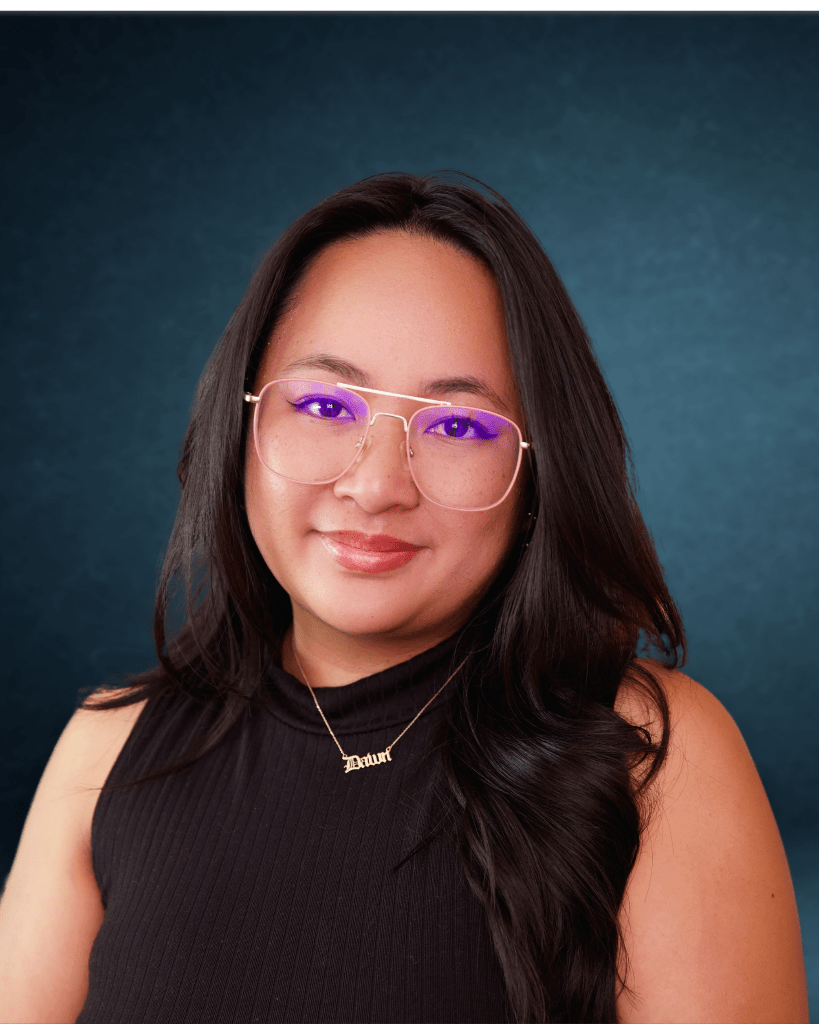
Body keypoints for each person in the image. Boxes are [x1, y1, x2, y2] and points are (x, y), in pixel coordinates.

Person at [0, 172, 808, 1024]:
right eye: (323, 404)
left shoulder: (647, 754)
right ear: (240, 426)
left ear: (539, 474)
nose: (377, 484)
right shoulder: (106, 751)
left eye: (459, 426)